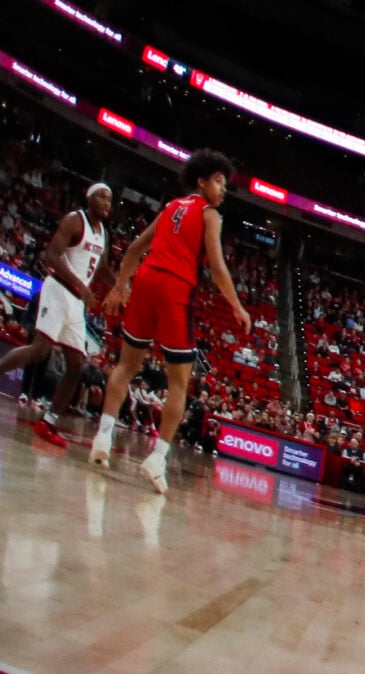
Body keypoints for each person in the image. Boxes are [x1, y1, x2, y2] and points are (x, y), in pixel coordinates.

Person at [87, 149, 251, 493]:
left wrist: (120, 286)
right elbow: (218, 268)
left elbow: (133, 248)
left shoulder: (171, 207)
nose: (223, 190)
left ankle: (102, 437)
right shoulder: (209, 215)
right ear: (201, 181)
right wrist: (237, 306)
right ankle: (157, 458)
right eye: (218, 181)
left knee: (126, 365)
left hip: (145, 281)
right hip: (174, 289)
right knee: (180, 382)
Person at [0, 180, 113, 444]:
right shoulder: (74, 220)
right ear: (89, 198)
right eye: (102, 197)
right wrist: (81, 284)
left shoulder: (102, 232)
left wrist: (119, 286)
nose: (107, 202)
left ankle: (48, 422)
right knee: (40, 350)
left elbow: (101, 267)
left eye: (110, 199)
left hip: (76, 302)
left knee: (76, 366)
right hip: (58, 291)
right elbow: (51, 256)